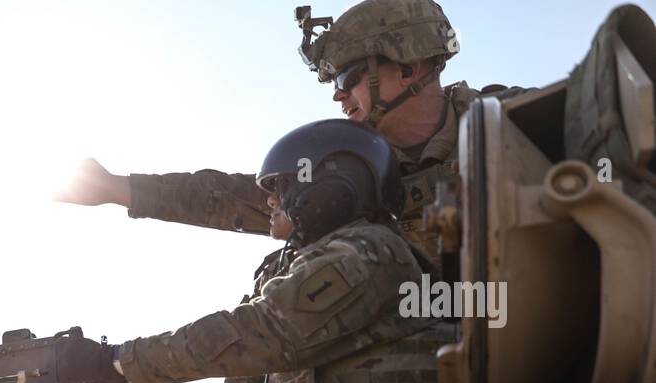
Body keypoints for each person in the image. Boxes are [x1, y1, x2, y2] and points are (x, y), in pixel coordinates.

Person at [55, 0, 521, 266]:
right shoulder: (349, 171)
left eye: (347, 79)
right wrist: (120, 189)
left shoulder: (514, 123)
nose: (338, 98)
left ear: (408, 66)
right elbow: (232, 196)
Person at [77, 119, 454, 383]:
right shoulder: (286, 271)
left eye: (280, 187)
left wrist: (120, 359)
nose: (270, 202)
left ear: (331, 189)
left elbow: (264, 332)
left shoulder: (372, 250)